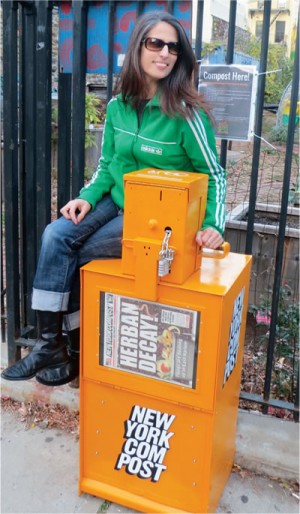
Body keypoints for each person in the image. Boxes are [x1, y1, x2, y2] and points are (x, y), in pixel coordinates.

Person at [1, 10, 226, 386]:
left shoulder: (186, 114)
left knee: (79, 250)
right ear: (138, 47)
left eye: (173, 47)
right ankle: (49, 345)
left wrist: (212, 225)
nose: (165, 53)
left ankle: (71, 350)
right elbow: (108, 166)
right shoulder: (118, 106)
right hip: (120, 199)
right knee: (56, 236)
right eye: (156, 43)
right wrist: (86, 199)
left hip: (162, 218)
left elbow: (214, 174)